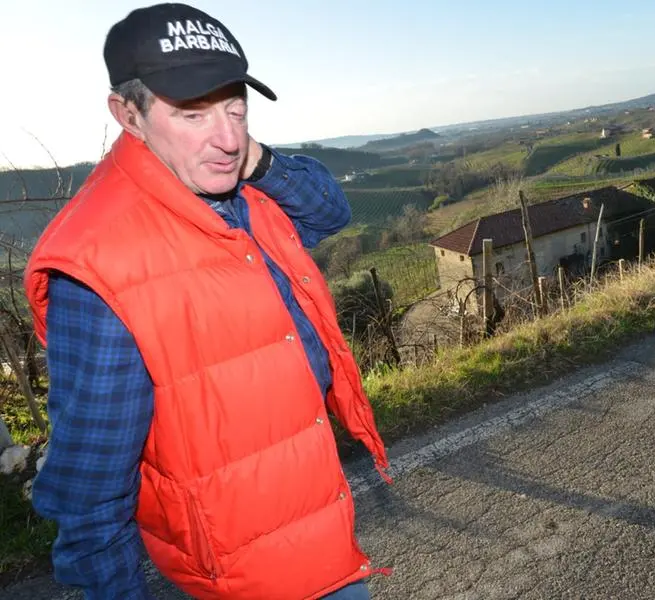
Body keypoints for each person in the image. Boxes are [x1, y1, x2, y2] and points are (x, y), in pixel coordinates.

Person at [23, 3, 392, 599]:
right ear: (129, 115)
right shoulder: (101, 265)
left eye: (236, 107)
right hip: (239, 572)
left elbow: (331, 210)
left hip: (317, 525)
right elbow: (90, 496)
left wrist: (258, 160)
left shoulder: (239, 182)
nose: (226, 136)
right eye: (192, 114)